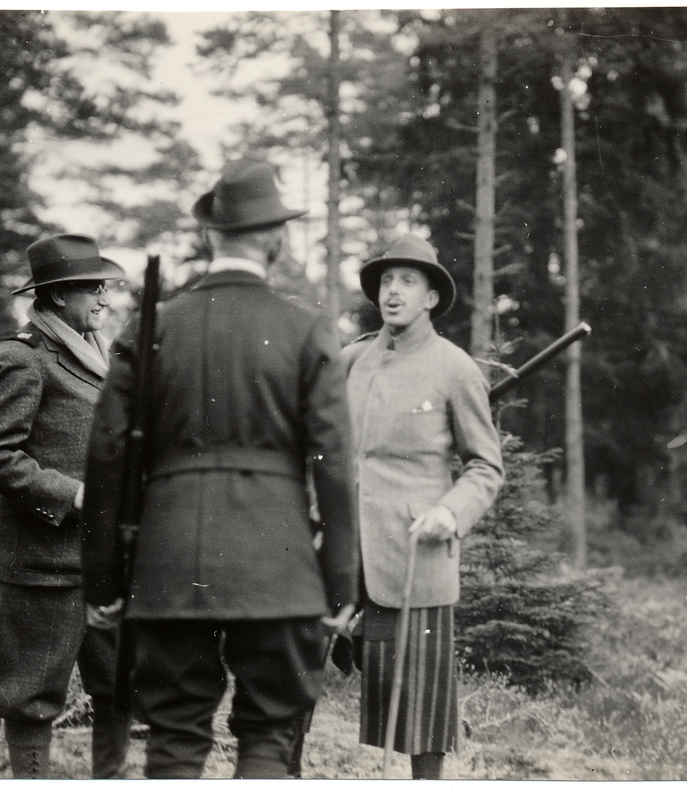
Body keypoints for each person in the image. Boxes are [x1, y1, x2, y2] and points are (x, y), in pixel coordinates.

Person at [81, 159, 358, 779]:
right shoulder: (305, 328)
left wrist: (102, 583)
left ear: (211, 234)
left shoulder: (152, 328)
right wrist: (340, 584)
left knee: (175, 734)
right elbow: (336, 465)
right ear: (277, 236)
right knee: (270, 733)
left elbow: (106, 456)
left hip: (169, 567)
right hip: (278, 569)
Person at [341, 234, 504, 779]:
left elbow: (485, 466)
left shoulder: (455, 368)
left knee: (421, 707)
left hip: (413, 549)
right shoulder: (351, 360)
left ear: (431, 298)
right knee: (292, 675)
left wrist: (450, 513)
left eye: (408, 281)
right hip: (340, 545)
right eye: (386, 280)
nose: (393, 291)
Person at [0, 233, 131, 778]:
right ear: (59, 295)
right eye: (93, 288)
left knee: (119, 686)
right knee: (30, 698)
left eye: (105, 287)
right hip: (45, 564)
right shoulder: (23, 357)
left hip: (107, 563)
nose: (105, 298)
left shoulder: (101, 353)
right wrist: (74, 494)